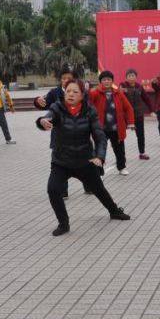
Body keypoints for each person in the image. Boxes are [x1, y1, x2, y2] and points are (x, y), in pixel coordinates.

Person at [37, 80, 131, 237]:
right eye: (68, 91)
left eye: (75, 92)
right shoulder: (57, 108)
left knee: (99, 189)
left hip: (84, 161)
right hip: (62, 161)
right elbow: (47, 117)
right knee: (53, 189)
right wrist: (42, 121)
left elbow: (100, 137)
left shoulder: (89, 111)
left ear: (82, 95)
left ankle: (114, 211)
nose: (71, 94)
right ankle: (63, 223)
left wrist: (99, 156)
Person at [87, 70, 136, 175]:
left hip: (116, 128)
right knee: (100, 150)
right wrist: (87, 90)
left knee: (119, 150)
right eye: (104, 79)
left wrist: (131, 122)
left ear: (112, 81)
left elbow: (128, 108)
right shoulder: (96, 92)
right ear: (101, 81)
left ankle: (122, 167)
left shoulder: (118, 93)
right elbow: (87, 100)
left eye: (108, 79)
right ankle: (99, 172)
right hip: (101, 129)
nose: (106, 81)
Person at [120, 69, 155, 160]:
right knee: (120, 135)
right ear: (126, 77)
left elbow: (147, 99)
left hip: (138, 115)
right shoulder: (122, 85)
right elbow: (118, 94)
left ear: (136, 77)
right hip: (125, 115)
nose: (131, 77)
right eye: (129, 76)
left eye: (133, 76)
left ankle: (142, 153)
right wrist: (124, 90)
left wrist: (151, 110)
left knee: (140, 135)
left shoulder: (139, 87)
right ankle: (121, 156)